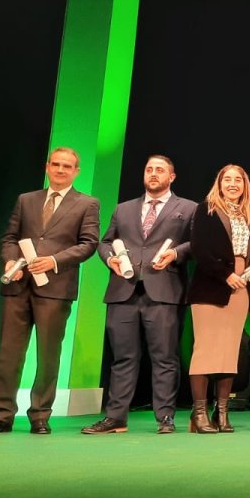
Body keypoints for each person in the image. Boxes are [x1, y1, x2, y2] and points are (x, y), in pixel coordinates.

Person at [0, 147, 101, 435]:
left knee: (48, 355)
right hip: (19, 286)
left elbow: (89, 244)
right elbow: (10, 237)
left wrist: (54, 261)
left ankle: (40, 415)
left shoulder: (87, 203)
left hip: (55, 289)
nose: (60, 170)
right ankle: (3, 414)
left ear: (76, 171)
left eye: (67, 166)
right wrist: (11, 260)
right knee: (9, 353)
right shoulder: (26, 200)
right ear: (47, 167)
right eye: (56, 165)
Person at [82, 155, 195, 435]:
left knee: (165, 357)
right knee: (123, 358)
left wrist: (176, 253)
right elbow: (105, 242)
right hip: (124, 292)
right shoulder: (123, 209)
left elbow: (197, 244)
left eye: (160, 170)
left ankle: (165, 417)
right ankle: (116, 417)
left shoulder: (189, 208)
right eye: (149, 169)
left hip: (164, 292)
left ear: (172, 176)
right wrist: (110, 260)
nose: (153, 174)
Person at [184, 164, 250, 434]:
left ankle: (222, 412)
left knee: (230, 353)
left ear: (245, 185)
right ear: (219, 183)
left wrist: (249, 274)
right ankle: (199, 414)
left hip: (239, 291)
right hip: (210, 289)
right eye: (227, 179)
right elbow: (199, 250)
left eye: (238, 180)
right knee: (205, 352)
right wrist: (226, 274)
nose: (232, 184)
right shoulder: (206, 209)